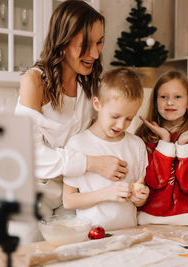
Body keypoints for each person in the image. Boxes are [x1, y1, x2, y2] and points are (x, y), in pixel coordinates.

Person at [13, 1, 128, 241]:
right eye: (86, 44)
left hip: (70, 193)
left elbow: (103, 134)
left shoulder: (89, 86)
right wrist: (93, 163)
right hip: (27, 197)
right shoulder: (34, 81)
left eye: (99, 42)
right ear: (63, 40)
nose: (95, 53)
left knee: (69, 257)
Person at [63, 67, 150, 230]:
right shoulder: (77, 144)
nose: (121, 125)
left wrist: (140, 198)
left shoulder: (137, 145)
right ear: (97, 104)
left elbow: (139, 191)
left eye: (129, 119)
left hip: (129, 232)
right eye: (115, 116)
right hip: (90, 235)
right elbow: (69, 201)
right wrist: (106, 193)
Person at [135, 70, 188, 226]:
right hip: (148, 221)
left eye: (177, 97)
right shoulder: (143, 137)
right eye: (163, 97)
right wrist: (165, 143)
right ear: (155, 102)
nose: (169, 102)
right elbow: (155, 182)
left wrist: (183, 148)